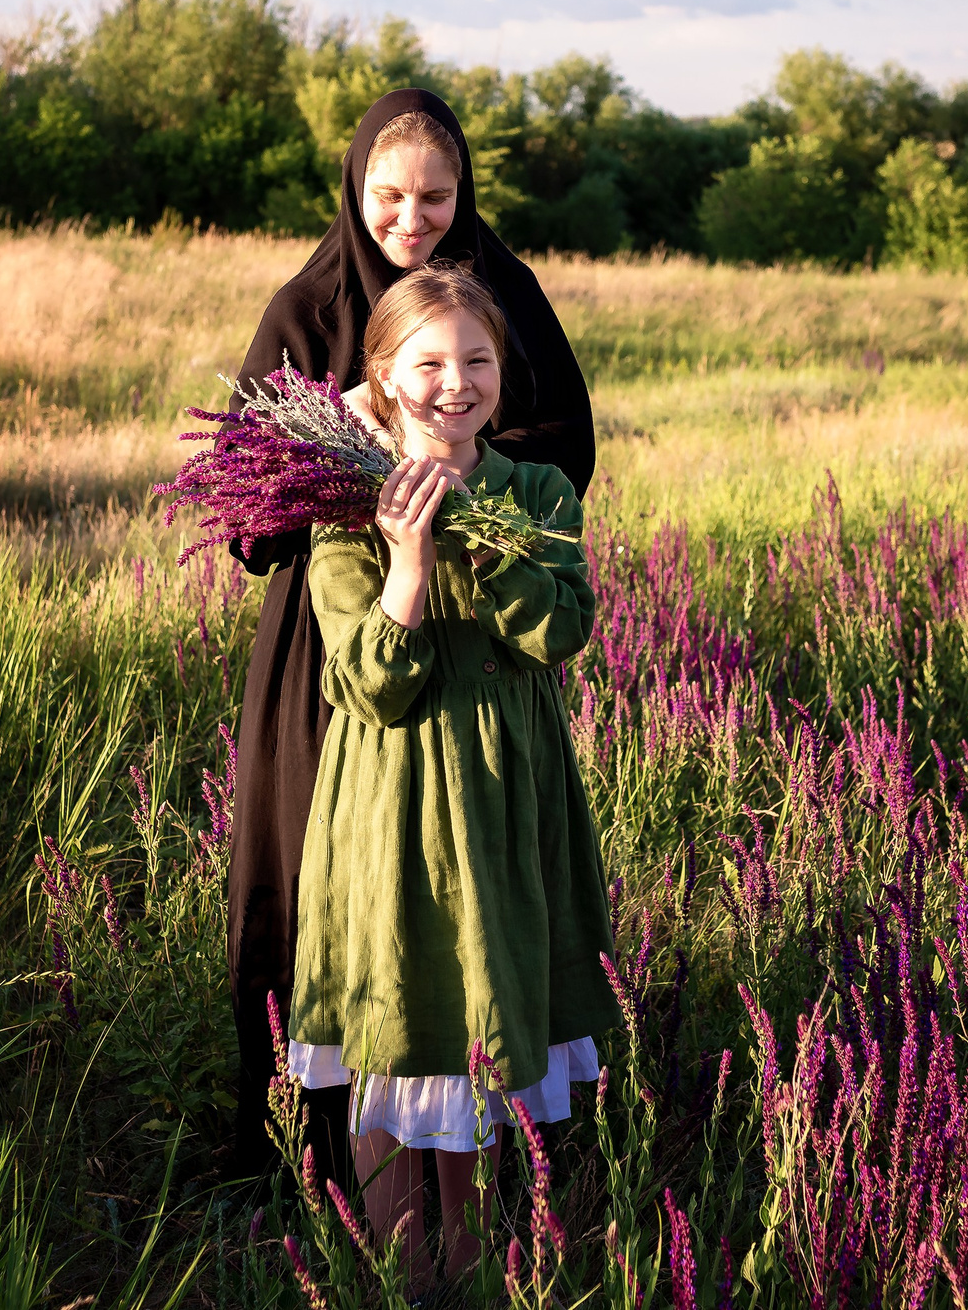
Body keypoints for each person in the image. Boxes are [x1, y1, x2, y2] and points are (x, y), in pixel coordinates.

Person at [224, 90, 596, 1185]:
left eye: (435, 195)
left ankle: (509, 1152)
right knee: (325, 879)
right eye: (390, 195)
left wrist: (457, 483)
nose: (413, 217)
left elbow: (560, 449)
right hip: (339, 638)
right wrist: (354, 477)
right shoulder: (305, 305)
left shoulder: (507, 295)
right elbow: (247, 505)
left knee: (486, 886)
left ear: (462, 191)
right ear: (354, 190)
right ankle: (319, 1159)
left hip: (491, 626)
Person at [288, 262, 617, 1292]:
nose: (455, 381)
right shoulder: (344, 508)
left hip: (507, 793)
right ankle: (395, 1270)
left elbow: (558, 626)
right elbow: (370, 685)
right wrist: (411, 564)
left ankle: (471, 1271)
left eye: (475, 358)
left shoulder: (538, 489)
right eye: (426, 360)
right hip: (390, 800)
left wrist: (476, 530)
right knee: (400, 1008)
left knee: (485, 1005)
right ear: (381, 375)